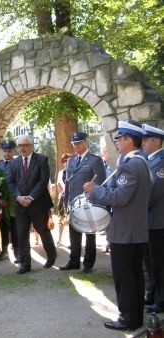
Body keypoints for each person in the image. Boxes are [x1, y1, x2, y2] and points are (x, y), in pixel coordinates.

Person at [83, 119, 151, 331]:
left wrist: (94, 190)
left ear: (129, 139)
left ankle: (128, 318)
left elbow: (120, 197)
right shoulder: (141, 161)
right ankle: (134, 316)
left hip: (125, 231)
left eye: (120, 139)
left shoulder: (131, 165)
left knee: (125, 277)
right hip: (134, 229)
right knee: (135, 277)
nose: (117, 143)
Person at [6, 134, 56, 274]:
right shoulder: (13, 163)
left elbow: (43, 180)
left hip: (38, 204)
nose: (22, 148)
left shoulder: (41, 159)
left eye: (25, 145)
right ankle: (25, 264)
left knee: (43, 231)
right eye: (20, 145)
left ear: (31, 145)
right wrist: (18, 197)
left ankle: (51, 256)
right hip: (20, 205)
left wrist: (31, 198)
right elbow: (10, 183)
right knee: (22, 235)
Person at [59, 132, 106, 273]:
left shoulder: (95, 160)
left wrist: (96, 203)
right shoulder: (71, 160)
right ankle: (74, 261)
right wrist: (66, 202)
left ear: (86, 143)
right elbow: (68, 184)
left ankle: (88, 264)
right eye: (74, 143)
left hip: (88, 204)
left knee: (89, 235)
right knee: (73, 234)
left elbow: (100, 183)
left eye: (79, 143)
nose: (76, 146)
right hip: (74, 203)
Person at [141, 124, 164, 314]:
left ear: (156, 141)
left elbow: (154, 192)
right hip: (149, 220)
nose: (143, 143)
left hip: (158, 221)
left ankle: (161, 299)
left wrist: (135, 207)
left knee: (159, 263)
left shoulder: (161, 162)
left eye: (146, 140)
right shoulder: (149, 160)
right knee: (149, 262)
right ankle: (153, 294)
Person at [0, 139, 18, 262]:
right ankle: (4, 250)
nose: (7, 153)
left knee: (15, 226)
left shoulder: (17, 163)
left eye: (9, 150)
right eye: (5, 150)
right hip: (0, 202)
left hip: (13, 202)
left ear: (13, 150)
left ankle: (17, 250)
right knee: (2, 226)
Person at [56, 153, 72, 246]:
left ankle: (71, 241)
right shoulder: (61, 173)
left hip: (72, 199)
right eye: (64, 161)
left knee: (71, 221)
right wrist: (62, 194)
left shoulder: (74, 172)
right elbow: (59, 185)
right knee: (61, 220)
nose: (66, 162)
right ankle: (59, 239)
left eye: (68, 160)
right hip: (62, 199)